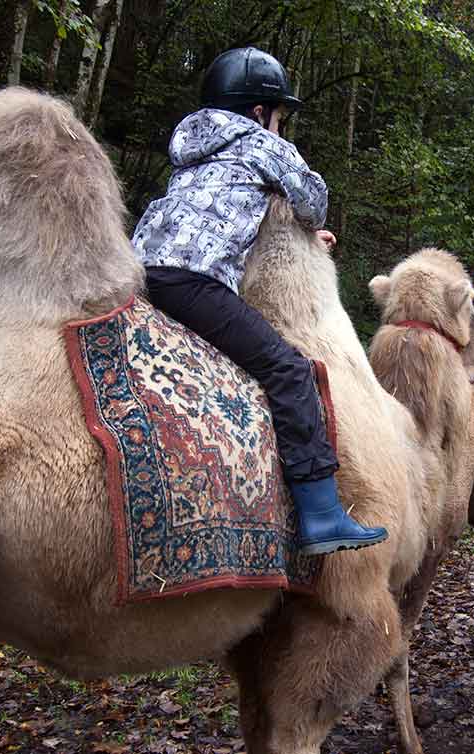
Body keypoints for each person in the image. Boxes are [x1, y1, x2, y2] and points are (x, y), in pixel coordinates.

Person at [131, 47, 387, 556]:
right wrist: (313, 224)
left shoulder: (190, 148)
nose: (280, 126)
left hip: (138, 273)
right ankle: (321, 513)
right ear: (257, 111)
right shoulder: (263, 144)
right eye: (279, 116)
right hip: (194, 282)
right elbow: (313, 201)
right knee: (289, 370)